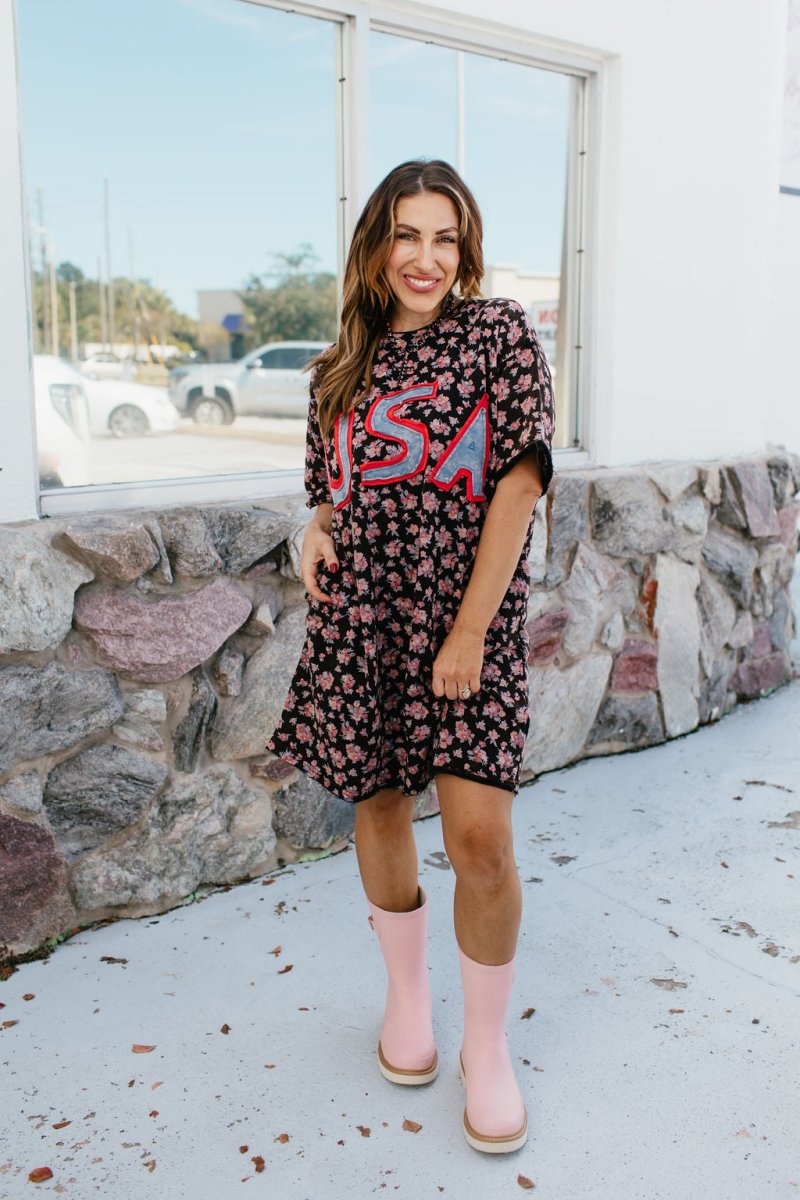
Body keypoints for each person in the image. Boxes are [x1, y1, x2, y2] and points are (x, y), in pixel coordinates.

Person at [265, 159, 554, 1155]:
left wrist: (469, 631)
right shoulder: (335, 369)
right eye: (406, 234)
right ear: (374, 244)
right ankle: (406, 1001)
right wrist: (314, 526)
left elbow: (516, 488)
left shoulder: (496, 333)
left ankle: (486, 1045)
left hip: (462, 620)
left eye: (445, 236)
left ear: (463, 248)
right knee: (378, 805)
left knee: (479, 843)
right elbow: (330, 486)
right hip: (360, 623)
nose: (426, 257)